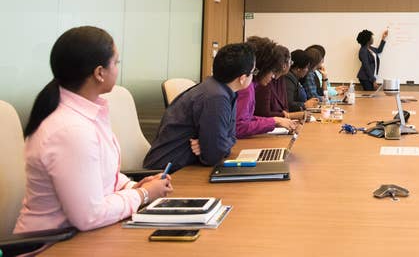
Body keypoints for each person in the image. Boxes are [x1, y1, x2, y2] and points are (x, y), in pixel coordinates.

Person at [15, 26, 173, 233]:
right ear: (99, 72)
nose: (118, 68)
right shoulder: (70, 129)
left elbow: (102, 176)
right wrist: (142, 194)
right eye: (116, 63)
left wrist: (132, 186)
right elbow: (90, 216)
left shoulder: (87, 114)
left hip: (83, 236)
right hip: (53, 245)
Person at [145, 43, 255, 172]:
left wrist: (211, 145)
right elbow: (213, 156)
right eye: (253, 72)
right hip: (169, 173)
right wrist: (214, 147)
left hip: (185, 166)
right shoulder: (216, 97)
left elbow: (231, 137)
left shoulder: (222, 91)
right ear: (242, 78)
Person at [235, 37, 299, 138]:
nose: (273, 76)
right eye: (272, 71)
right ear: (262, 69)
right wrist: (274, 121)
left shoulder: (251, 85)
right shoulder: (245, 87)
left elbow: (246, 118)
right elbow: (239, 127)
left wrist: (276, 121)